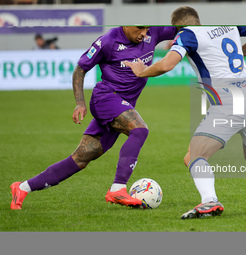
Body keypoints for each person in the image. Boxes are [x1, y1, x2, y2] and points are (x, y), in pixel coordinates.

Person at [124, 6, 246, 219]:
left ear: (178, 26)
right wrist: (245, 49)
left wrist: (141, 71)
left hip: (227, 102)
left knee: (194, 156)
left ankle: (209, 202)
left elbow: (167, 64)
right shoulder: (226, 25)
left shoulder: (186, 35)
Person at [10, 26, 177, 210]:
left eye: (146, 29)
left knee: (79, 159)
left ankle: (22, 187)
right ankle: (118, 188)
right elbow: (80, 69)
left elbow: (183, 26)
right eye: (140, 29)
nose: (144, 33)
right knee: (140, 130)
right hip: (106, 99)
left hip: (121, 107)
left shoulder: (153, 31)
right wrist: (80, 102)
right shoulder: (108, 40)